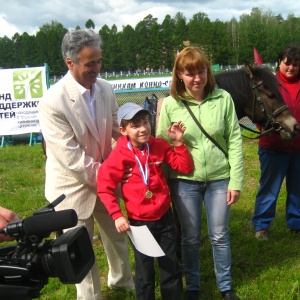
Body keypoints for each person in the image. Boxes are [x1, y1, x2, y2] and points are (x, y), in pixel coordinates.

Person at [38, 29, 134, 300]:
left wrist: (128, 157)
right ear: (70, 62)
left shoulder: (106, 88)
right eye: (90, 63)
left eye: (99, 61)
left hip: (104, 179)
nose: (97, 68)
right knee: (80, 248)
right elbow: (70, 158)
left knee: (116, 237)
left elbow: (116, 131)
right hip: (71, 187)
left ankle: (121, 280)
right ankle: (91, 296)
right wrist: (110, 175)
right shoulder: (52, 101)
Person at [156, 46, 244, 300]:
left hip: (219, 178)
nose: (196, 78)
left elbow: (235, 141)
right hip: (184, 182)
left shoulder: (223, 99)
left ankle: (225, 286)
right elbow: (162, 146)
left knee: (219, 235)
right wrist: (174, 144)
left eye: (201, 71)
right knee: (190, 238)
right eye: (189, 73)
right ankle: (192, 286)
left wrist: (236, 180)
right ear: (179, 76)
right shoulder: (172, 104)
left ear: (208, 72)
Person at [97, 102, 194, 300]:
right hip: (139, 223)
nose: (143, 128)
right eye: (135, 125)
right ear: (123, 130)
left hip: (164, 217)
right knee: (145, 272)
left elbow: (184, 167)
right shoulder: (119, 155)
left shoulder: (159, 145)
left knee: (170, 266)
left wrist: (178, 143)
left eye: (145, 122)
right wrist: (117, 216)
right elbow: (104, 187)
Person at [252, 45, 300, 241]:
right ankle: (262, 225)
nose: (291, 67)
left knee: (298, 189)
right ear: (279, 62)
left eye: (296, 64)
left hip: (298, 149)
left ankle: (296, 222)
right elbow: (257, 109)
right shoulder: (269, 83)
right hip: (273, 147)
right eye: (287, 63)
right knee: (269, 189)